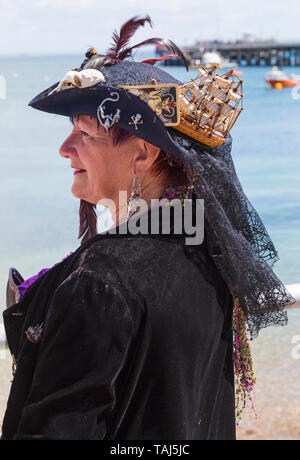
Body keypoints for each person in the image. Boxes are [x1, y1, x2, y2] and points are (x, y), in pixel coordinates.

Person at [2, 16, 295, 441]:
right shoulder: (208, 249)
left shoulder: (100, 282)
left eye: (84, 133)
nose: (64, 149)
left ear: (143, 154)